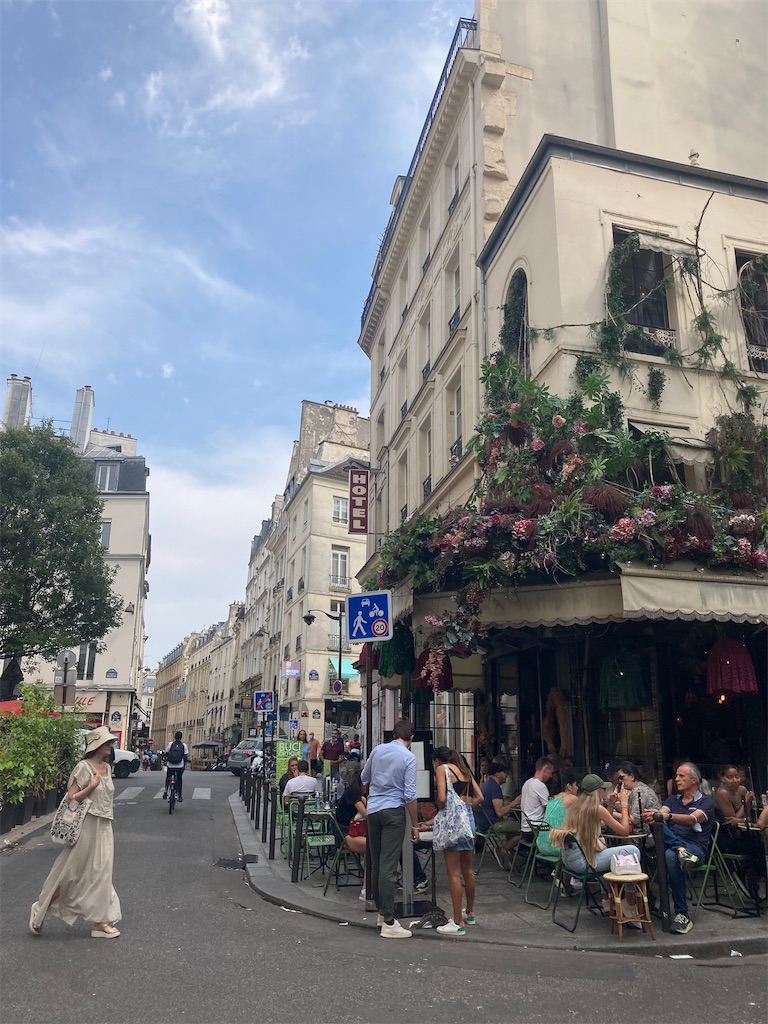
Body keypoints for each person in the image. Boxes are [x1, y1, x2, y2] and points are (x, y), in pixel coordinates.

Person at [30, 726, 122, 938]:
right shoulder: (83, 767)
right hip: (86, 825)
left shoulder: (107, 768)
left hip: (104, 825)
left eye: (110, 742)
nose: (111, 745)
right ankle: (40, 910)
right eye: (107, 743)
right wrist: (91, 786)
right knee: (71, 874)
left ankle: (100, 923)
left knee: (103, 872)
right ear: (96, 746)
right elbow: (72, 798)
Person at [549, 773, 640, 922]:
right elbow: (624, 831)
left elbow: (604, 825)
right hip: (583, 863)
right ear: (597, 791)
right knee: (632, 851)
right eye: (603, 789)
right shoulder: (596, 809)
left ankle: (607, 900)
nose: (606, 792)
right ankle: (629, 902)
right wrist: (624, 805)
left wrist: (610, 804)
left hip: (569, 863)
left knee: (611, 857)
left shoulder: (577, 806)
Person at [642, 761, 715, 934]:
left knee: (669, 855)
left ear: (694, 780)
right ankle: (680, 849)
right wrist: (653, 815)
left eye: (682, 776)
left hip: (695, 850)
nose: (677, 779)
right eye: (677, 776)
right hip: (676, 846)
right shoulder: (672, 799)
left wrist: (666, 816)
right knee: (656, 822)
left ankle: (682, 914)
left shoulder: (706, 802)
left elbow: (692, 819)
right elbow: (660, 815)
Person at [361, 719, 418, 939]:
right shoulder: (409, 757)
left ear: (394, 735)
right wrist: (414, 824)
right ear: (410, 738)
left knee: (376, 863)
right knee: (388, 866)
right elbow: (410, 795)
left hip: (373, 810)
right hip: (393, 811)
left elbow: (364, 777)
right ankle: (388, 920)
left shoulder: (377, 750)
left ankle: (380, 912)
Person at [432, 747, 484, 936]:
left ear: (437, 759)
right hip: (468, 821)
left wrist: (439, 807)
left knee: (453, 873)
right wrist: (466, 806)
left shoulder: (442, 769)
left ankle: (457, 922)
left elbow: (442, 798)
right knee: (467, 870)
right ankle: (469, 913)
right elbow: (480, 797)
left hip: (453, 824)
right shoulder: (465, 771)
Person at [713, 765, 762, 892]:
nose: (735, 780)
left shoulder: (742, 790)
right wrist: (745, 802)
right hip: (726, 836)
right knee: (756, 849)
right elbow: (732, 821)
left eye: (737, 777)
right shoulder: (722, 793)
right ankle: (743, 872)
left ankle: (750, 875)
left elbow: (747, 818)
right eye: (730, 777)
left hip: (742, 833)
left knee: (760, 846)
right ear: (722, 778)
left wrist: (744, 811)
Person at [476, 762, 521, 866]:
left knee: (511, 825)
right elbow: (500, 812)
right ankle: (502, 850)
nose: (506, 775)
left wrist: (509, 805)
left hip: (482, 824)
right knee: (524, 829)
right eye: (504, 772)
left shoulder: (487, 784)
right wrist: (515, 802)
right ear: (497, 774)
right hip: (491, 825)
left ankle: (507, 857)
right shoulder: (495, 787)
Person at [611, 762, 660, 831]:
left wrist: (608, 814)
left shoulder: (640, 791)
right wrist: (612, 804)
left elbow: (635, 819)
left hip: (649, 831)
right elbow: (630, 811)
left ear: (632, 776)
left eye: (622, 777)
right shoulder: (635, 790)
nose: (620, 781)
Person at [520, 756, 555, 835]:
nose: (551, 776)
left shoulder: (527, 783)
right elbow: (549, 809)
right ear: (545, 769)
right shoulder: (540, 785)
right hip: (536, 828)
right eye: (551, 772)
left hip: (525, 827)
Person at [163, 730, 189, 802]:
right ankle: (179, 796)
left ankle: (165, 791)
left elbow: (166, 753)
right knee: (179, 780)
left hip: (170, 765)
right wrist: (185, 764)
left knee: (168, 777)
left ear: (174, 737)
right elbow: (185, 757)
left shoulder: (170, 744)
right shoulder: (184, 745)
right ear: (181, 737)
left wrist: (165, 760)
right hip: (179, 766)